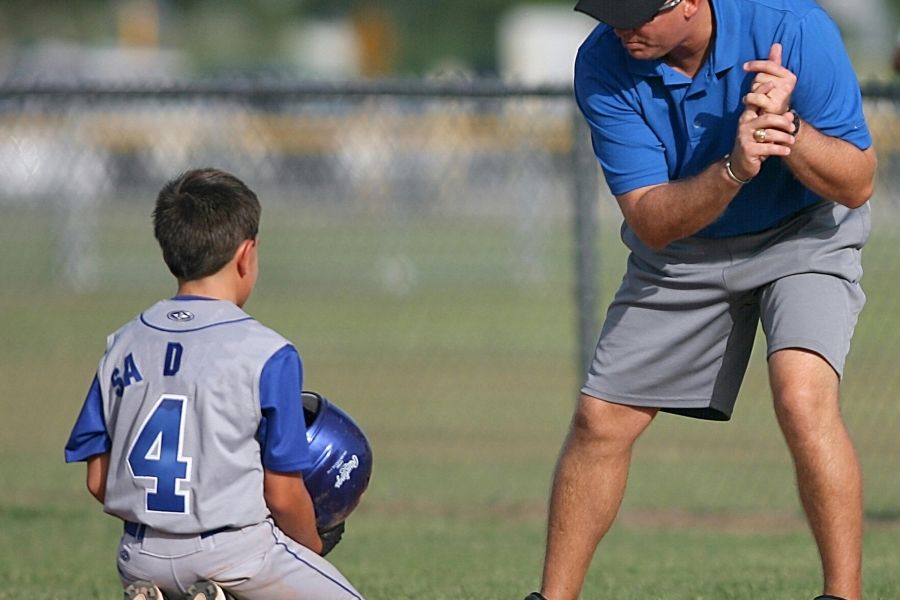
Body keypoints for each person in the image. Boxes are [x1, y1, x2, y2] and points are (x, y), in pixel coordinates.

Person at [524, 0, 876, 599]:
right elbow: (652, 221)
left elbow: (857, 182)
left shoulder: (793, 28)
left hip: (803, 231)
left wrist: (786, 131)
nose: (621, 26)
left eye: (635, 12)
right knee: (600, 420)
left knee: (801, 394)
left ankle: (841, 595)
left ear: (689, 2)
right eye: (608, 12)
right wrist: (734, 170)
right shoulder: (603, 64)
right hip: (685, 244)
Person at [64, 168, 363, 600]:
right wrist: (312, 549)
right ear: (246, 255)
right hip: (234, 551)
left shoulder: (122, 344)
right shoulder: (266, 352)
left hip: (138, 555)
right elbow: (282, 495)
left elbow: (98, 480)